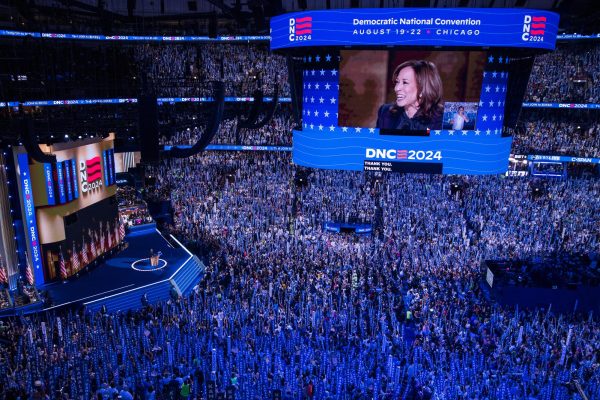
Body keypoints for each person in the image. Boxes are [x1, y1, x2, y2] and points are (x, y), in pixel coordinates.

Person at [376, 60, 444, 131]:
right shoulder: (385, 112)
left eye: (405, 82)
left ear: (423, 88)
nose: (396, 88)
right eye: (397, 82)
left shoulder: (441, 119)